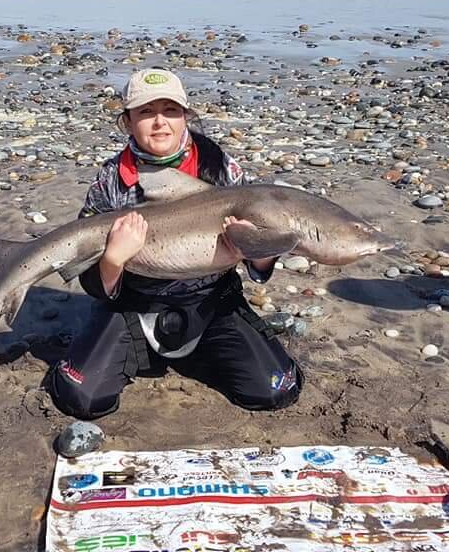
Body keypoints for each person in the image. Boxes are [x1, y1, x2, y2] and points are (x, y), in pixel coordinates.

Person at [45, 68, 304, 420]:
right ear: (127, 121)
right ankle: (144, 349)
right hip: (132, 304)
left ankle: (197, 349)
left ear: (186, 115)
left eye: (170, 111)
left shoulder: (222, 171)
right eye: (145, 113)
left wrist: (256, 250)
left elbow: (259, 266)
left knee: (277, 389)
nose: (159, 123)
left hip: (210, 301)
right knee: (81, 397)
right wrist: (113, 261)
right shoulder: (110, 180)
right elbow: (89, 277)